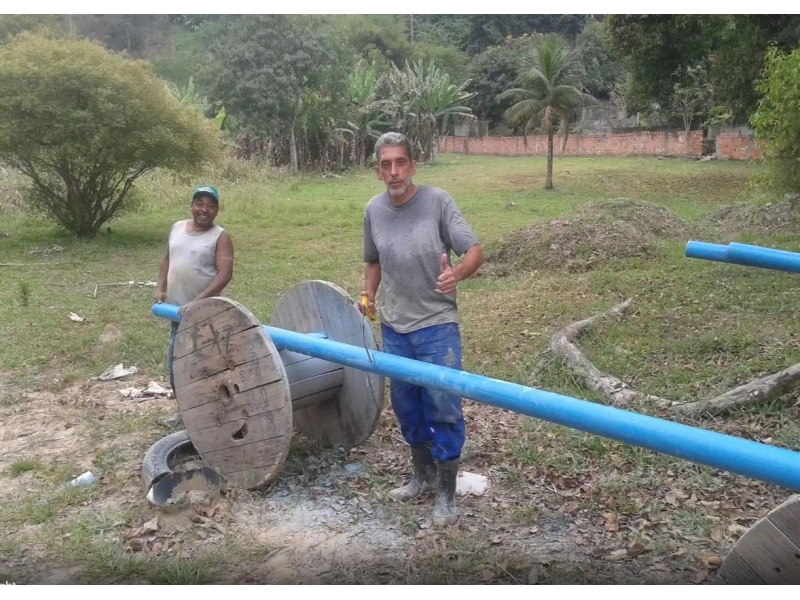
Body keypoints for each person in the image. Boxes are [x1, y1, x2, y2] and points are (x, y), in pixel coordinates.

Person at [359, 132, 484, 525]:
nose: (394, 172)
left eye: (400, 163)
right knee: (407, 406)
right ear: (378, 171)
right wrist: (368, 294)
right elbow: (373, 259)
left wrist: (457, 274)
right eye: (386, 165)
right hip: (396, 326)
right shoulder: (373, 211)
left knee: (443, 406)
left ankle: (446, 493)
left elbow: (474, 250)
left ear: (412, 166)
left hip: (436, 325)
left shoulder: (437, 202)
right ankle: (422, 475)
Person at [154, 184, 234, 405]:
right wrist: (160, 288)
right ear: (191, 206)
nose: (204, 210)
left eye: (210, 206)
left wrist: (196, 303)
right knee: (177, 363)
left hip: (206, 314)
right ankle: (183, 411)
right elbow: (167, 259)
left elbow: (225, 274)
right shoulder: (177, 228)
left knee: (208, 363)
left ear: (217, 211)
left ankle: (211, 409)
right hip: (177, 313)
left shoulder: (220, 236)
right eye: (199, 204)